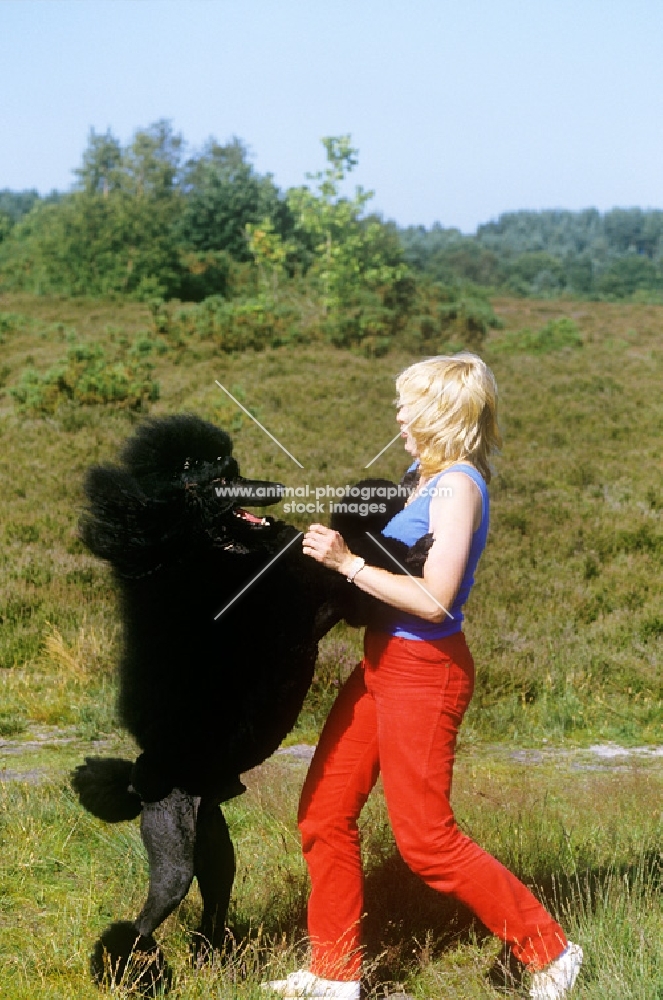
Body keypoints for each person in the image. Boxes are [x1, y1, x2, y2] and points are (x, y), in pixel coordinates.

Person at [264, 354, 583, 1000]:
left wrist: (347, 562)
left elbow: (435, 600)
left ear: (438, 413)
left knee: (426, 842)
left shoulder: (458, 486)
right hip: (380, 662)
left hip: (425, 670)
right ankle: (333, 973)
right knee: (322, 813)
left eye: (405, 404)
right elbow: (383, 559)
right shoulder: (418, 476)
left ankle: (550, 951)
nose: (397, 414)